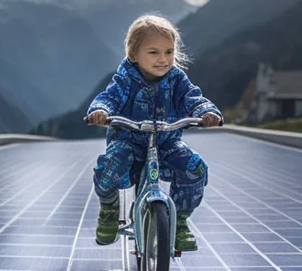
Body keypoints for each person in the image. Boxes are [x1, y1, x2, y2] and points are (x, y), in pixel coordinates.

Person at [86, 14, 223, 251]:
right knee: (110, 164)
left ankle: (179, 220)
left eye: (169, 52)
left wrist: (206, 112)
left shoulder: (177, 79)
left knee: (195, 168)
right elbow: (109, 97)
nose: (163, 59)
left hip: (166, 142)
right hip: (129, 140)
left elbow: (193, 98)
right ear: (133, 55)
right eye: (154, 53)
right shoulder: (125, 79)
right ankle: (109, 208)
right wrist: (100, 110)